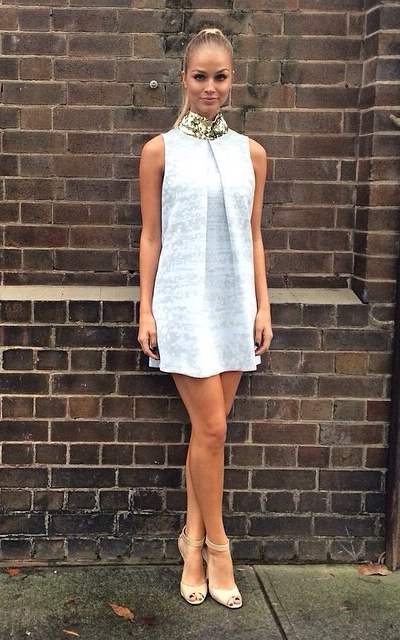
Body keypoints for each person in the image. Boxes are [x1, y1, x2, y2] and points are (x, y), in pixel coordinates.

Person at [137, 28, 272, 609]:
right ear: (183, 79)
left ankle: (190, 541)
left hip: (234, 305)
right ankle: (219, 546)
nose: (210, 87)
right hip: (183, 305)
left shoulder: (252, 153)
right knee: (213, 430)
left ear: (231, 81)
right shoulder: (159, 151)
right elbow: (151, 236)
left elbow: (253, 234)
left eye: (220, 77)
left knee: (205, 436)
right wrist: (145, 308)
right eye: (200, 76)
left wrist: (263, 304)